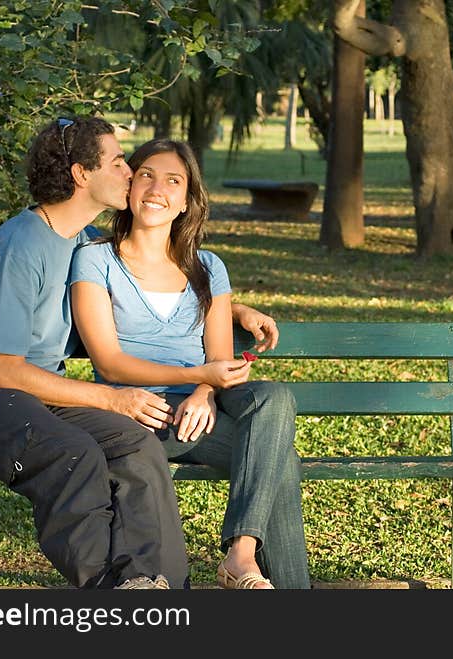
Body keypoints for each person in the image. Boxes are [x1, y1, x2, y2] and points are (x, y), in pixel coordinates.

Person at [0, 116, 280, 590]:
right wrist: (111, 398)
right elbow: (5, 373)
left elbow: (152, 273)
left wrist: (232, 307)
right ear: (81, 175)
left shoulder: (82, 241)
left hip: (38, 397)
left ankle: (164, 588)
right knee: (76, 452)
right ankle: (110, 588)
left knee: (135, 443)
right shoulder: (21, 246)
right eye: (117, 162)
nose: (130, 173)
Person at [69, 138, 310, 589]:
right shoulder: (95, 259)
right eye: (146, 175)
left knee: (274, 398)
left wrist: (204, 392)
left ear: (186, 201)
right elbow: (111, 363)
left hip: (197, 417)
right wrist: (198, 376)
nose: (158, 189)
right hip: (139, 417)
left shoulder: (208, 267)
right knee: (281, 463)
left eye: (173, 181)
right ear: (128, 185)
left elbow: (219, 359)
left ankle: (241, 552)